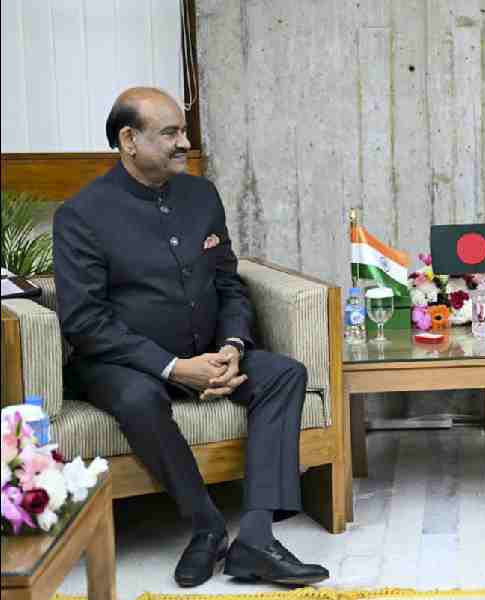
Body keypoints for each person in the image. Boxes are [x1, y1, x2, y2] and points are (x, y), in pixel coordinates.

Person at [53, 87, 329, 588]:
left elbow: (228, 282)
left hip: (208, 351)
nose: (184, 142)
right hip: (127, 364)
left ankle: (257, 539)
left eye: (184, 131)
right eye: (171, 133)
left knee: (285, 374)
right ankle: (206, 529)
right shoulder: (82, 215)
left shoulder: (202, 195)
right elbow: (85, 320)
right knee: (138, 398)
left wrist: (232, 347)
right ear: (129, 140)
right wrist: (175, 368)